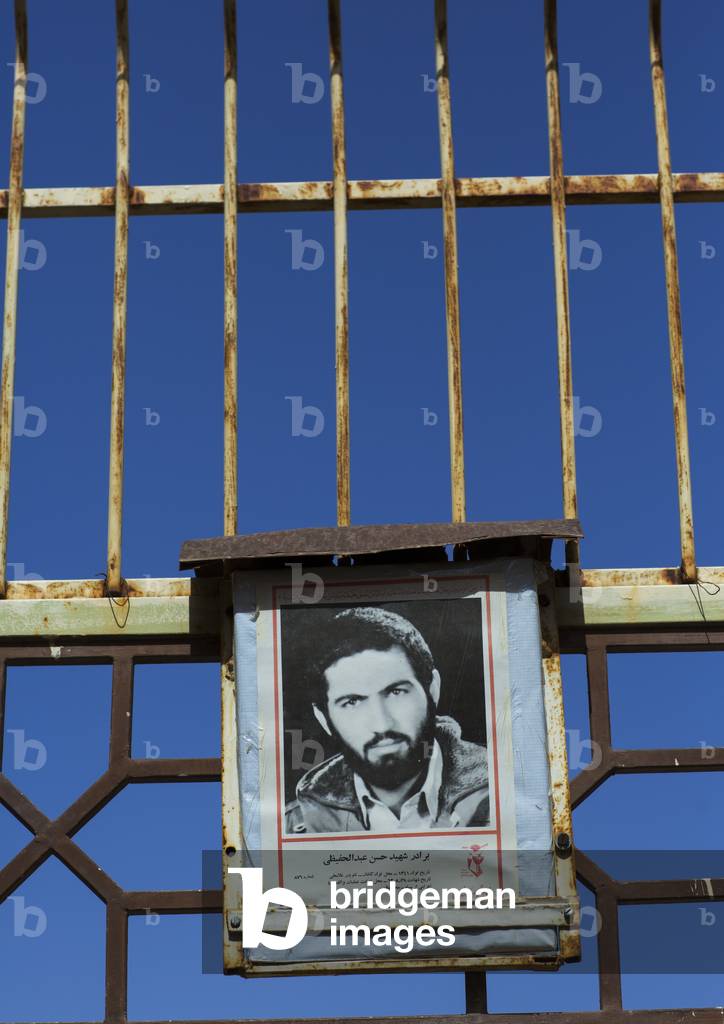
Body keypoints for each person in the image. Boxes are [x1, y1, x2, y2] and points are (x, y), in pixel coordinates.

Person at [284, 606, 489, 834]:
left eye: (396, 692)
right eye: (352, 702)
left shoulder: (506, 793)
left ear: (432, 690)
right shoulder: (292, 828)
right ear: (323, 718)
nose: (382, 724)